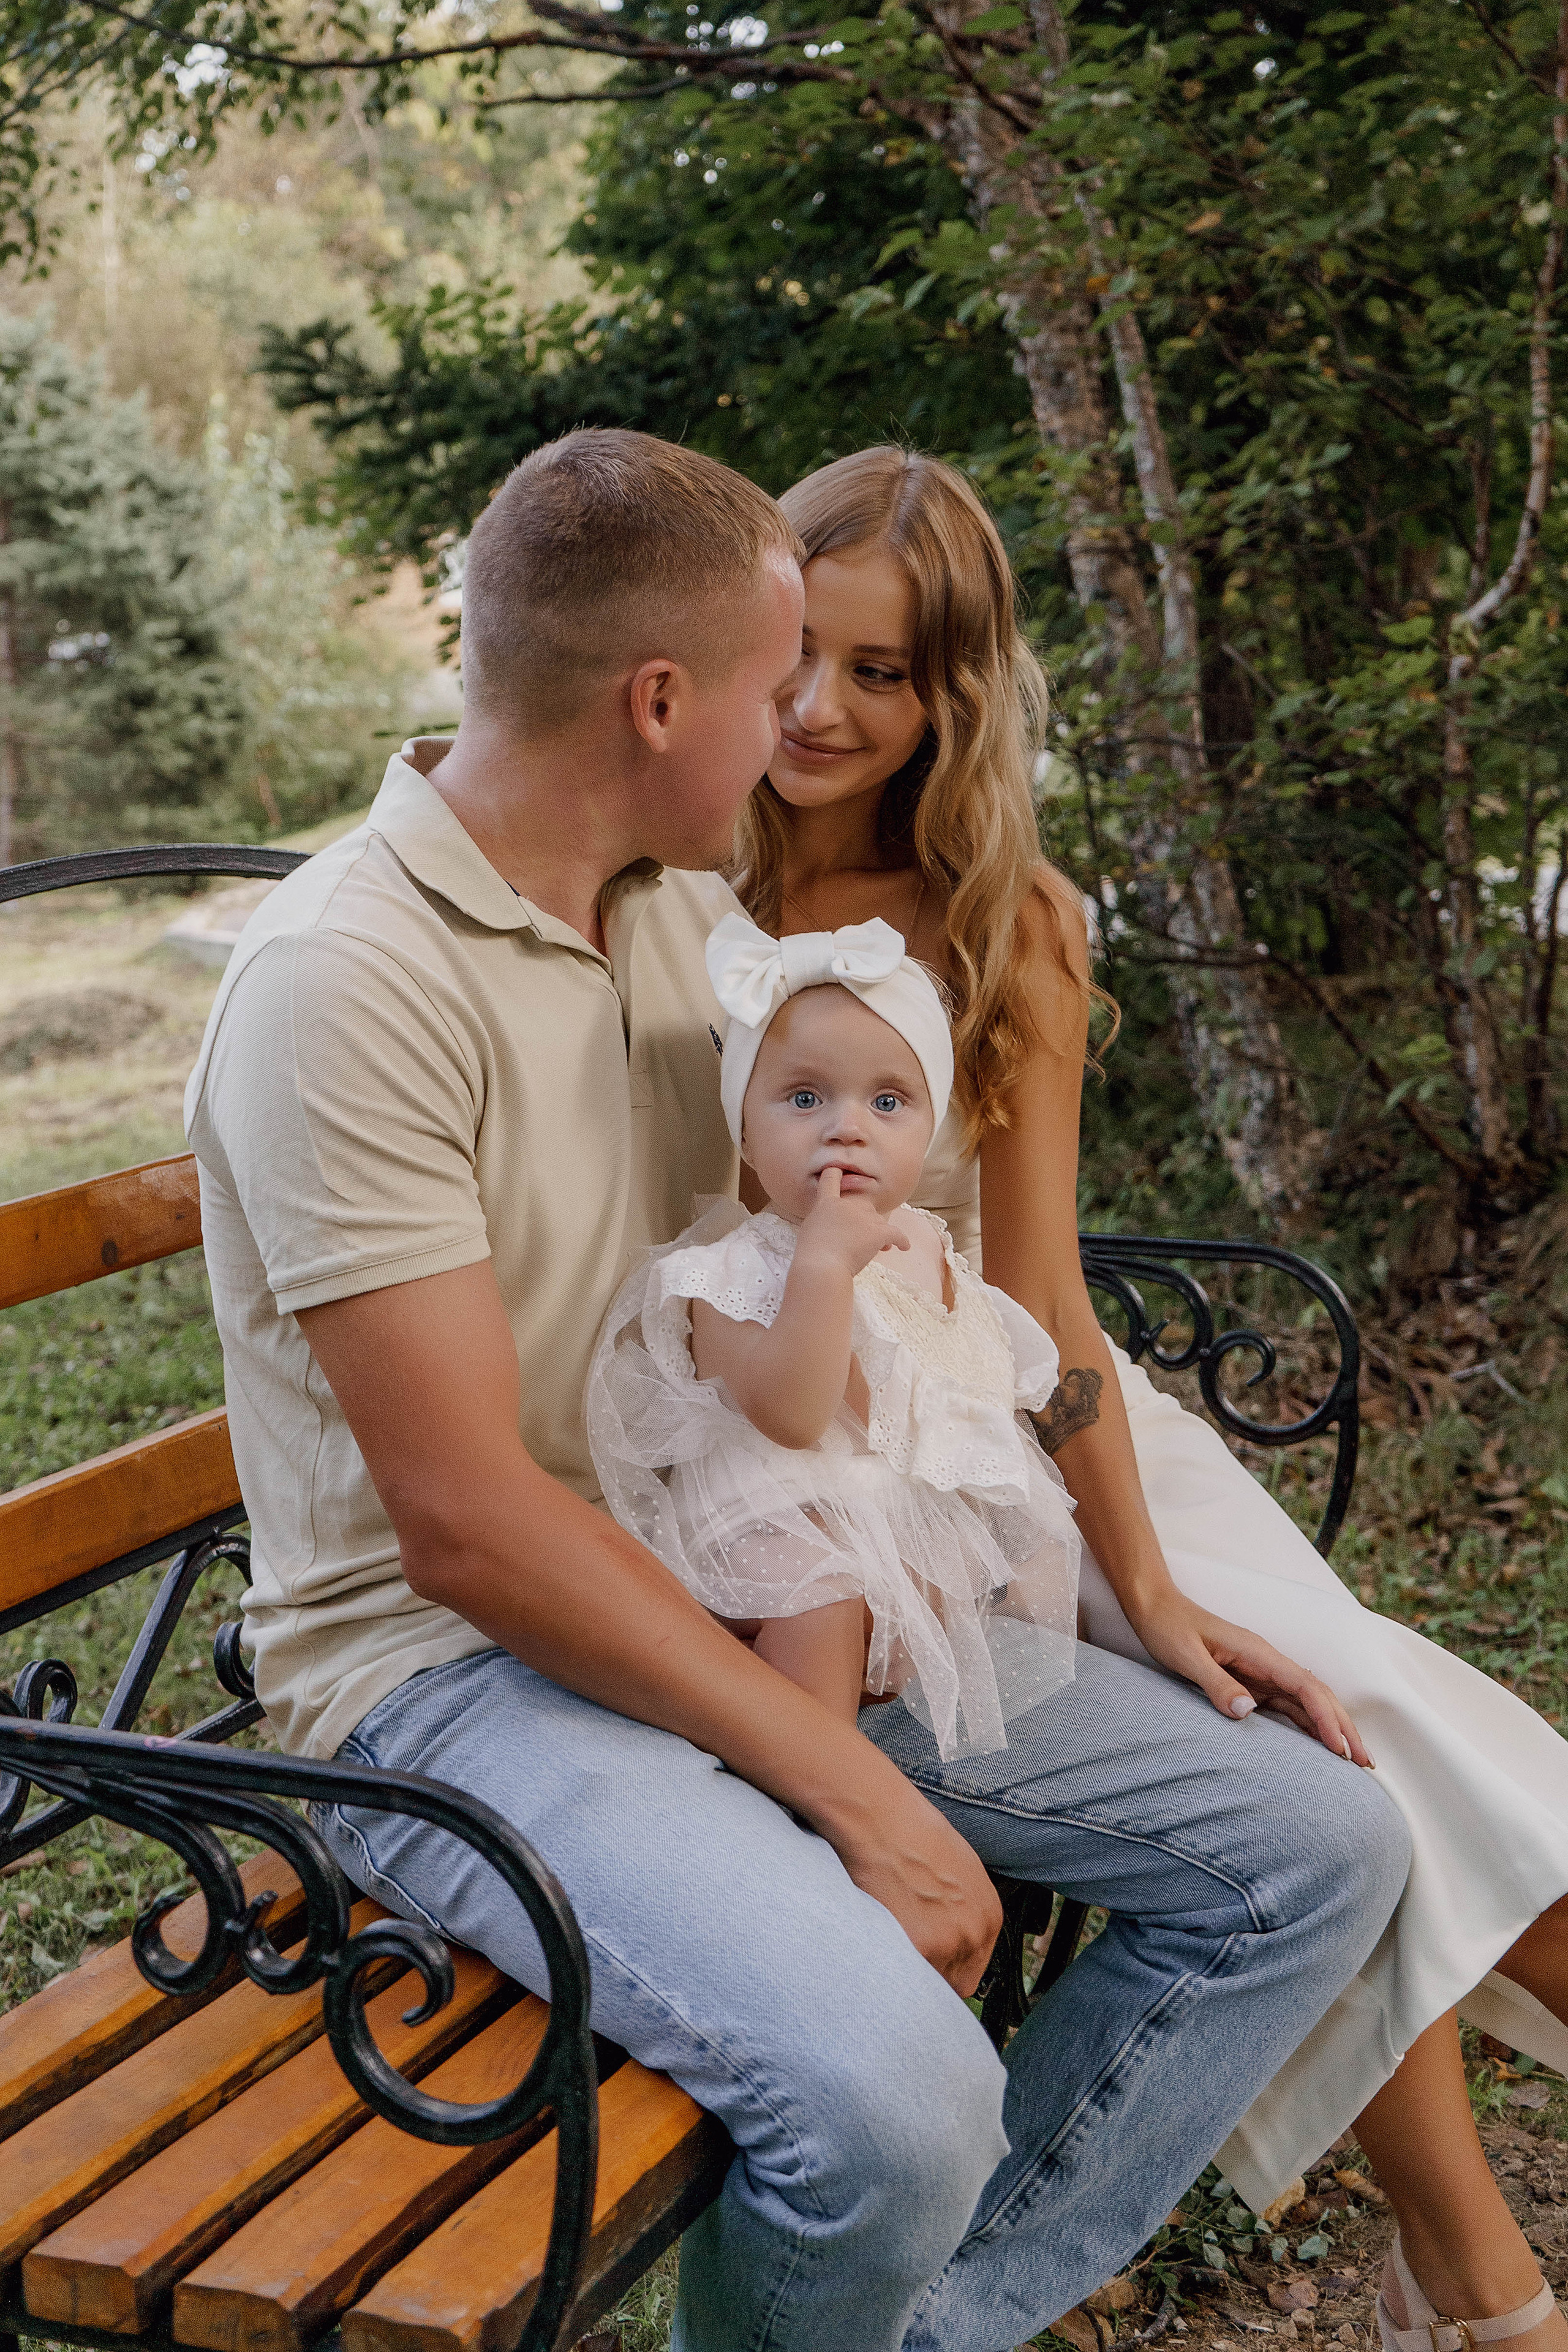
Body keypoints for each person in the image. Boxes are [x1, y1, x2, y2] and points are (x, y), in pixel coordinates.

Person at [185, 426, 1410, 2352]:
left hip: (732, 1579)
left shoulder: (679, 922)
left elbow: (876, 1219)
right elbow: (470, 1525)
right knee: (899, 2106)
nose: (796, 737)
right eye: (775, 689)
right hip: (453, 1683)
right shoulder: (352, 980)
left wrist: (1125, 1589)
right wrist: (856, 1789)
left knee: (1311, 1849)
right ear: (660, 700)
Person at [739, 440, 1568, 2352]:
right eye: (804, 653)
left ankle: (1467, 2273)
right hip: (825, 1460)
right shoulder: (669, 876)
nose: (821, 710)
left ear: (953, 698)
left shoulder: (1006, 918)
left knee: (1355, 1719)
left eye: (884, 675)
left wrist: (1154, 1587)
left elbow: (1043, 1308)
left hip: (1030, 1432)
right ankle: (1475, 2281)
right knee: (1378, 1761)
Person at [587, 912, 1080, 1757]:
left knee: (988, 1591)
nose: (846, 1128)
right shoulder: (737, 1269)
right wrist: (820, 1268)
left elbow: (955, 1381)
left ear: (929, 1130)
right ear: (745, 1127)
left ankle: (896, 1726)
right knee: (819, 1600)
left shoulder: (926, 1242)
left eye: (888, 1101)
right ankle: (811, 1780)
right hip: (780, 1523)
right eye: (805, 1098)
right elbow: (792, 1413)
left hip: (891, 1515)